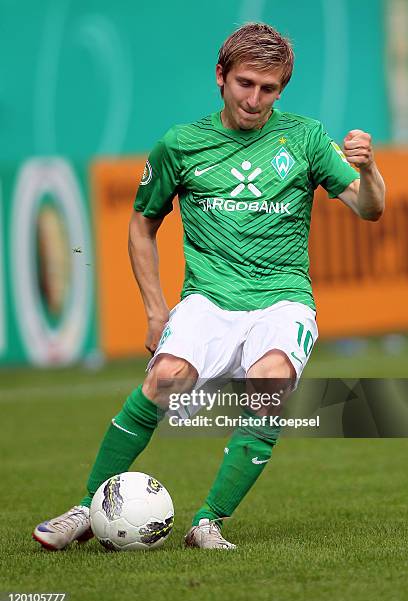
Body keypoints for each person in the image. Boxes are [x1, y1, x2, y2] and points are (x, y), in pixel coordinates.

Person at [33, 22, 385, 550]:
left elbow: (369, 207)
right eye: (245, 83)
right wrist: (155, 310)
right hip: (208, 299)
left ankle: (208, 522)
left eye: (269, 89)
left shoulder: (306, 138)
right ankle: (85, 509)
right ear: (220, 77)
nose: (255, 99)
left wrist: (372, 169)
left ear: (281, 90)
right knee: (164, 381)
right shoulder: (181, 145)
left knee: (269, 385)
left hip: (283, 298)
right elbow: (141, 223)